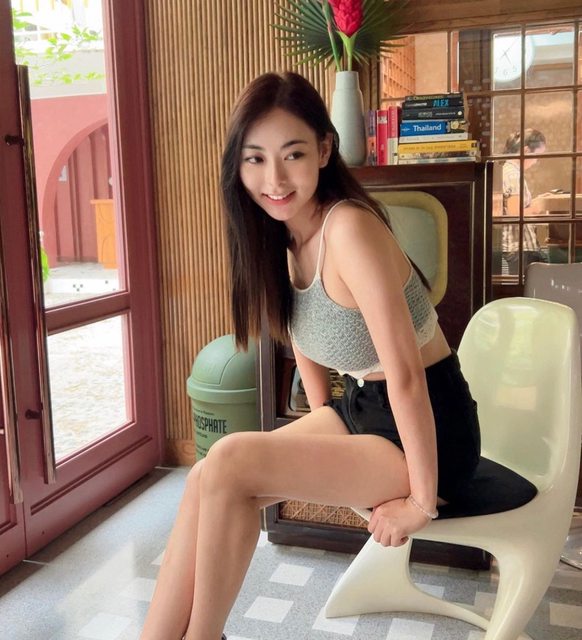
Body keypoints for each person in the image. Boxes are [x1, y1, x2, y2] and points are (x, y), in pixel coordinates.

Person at [140, 71, 481, 640]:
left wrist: (421, 503)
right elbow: (304, 333)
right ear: (237, 166)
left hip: (431, 431)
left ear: (324, 150)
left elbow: (406, 377)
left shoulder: (349, 228)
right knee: (206, 475)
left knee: (228, 460)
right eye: (255, 159)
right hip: (363, 409)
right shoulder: (279, 236)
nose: (274, 179)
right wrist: (321, 418)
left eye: (293, 154)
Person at [501, 129, 547, 274]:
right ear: (526, 151)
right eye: (536, 156)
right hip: (519, 247)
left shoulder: (506, 170)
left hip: (517, 247)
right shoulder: (513, 175)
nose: (536, 162)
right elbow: (515, 213)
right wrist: (538, 206)